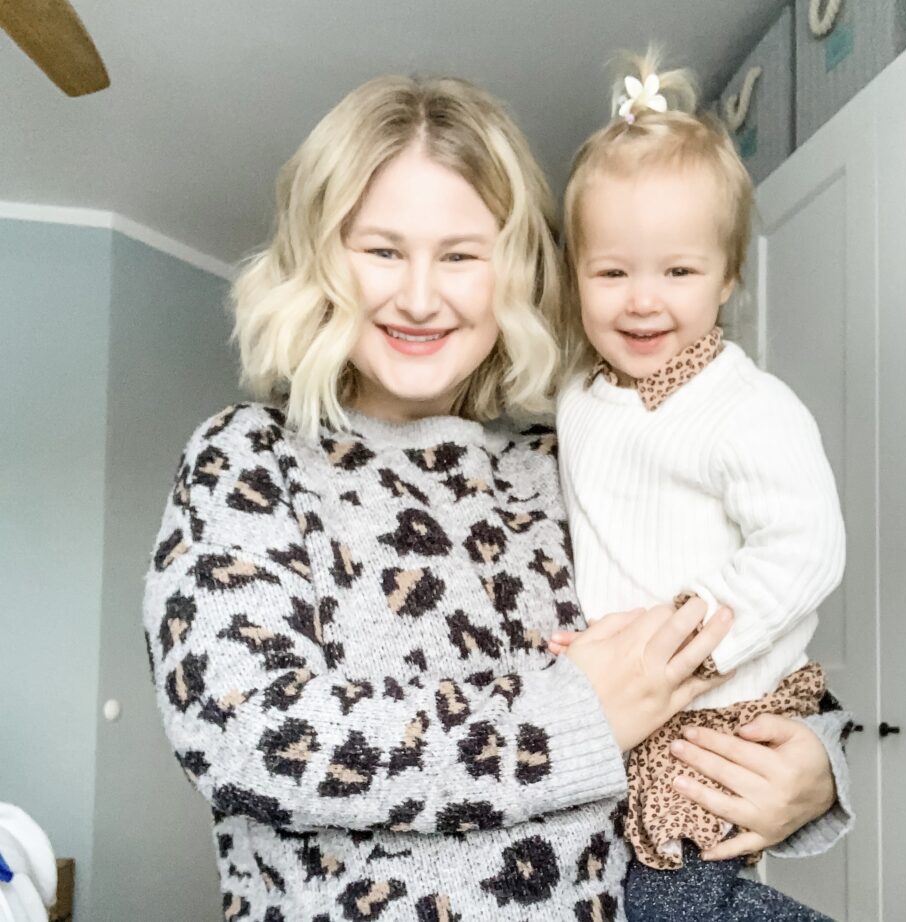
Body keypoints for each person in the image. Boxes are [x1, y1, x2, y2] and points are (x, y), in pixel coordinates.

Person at [143, 72, 852, 922]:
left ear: (513, 268)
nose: (418, 295)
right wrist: (574, 717)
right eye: (381, 250)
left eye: (460, 254)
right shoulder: (251, 460)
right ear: (322, 257)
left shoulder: (565, 460)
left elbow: (740, 651)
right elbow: (245, 735)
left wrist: (820, 766)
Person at [550, 50, 847, 921]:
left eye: (678, 271)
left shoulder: (746, 407)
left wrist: (680, 645)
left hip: (719, 704)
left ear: (727, 277)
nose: (643, 300)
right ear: (576, 281)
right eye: (611, 272)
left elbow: (806, 547)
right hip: (632, 719)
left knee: (678, 899)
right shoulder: (577, 397)